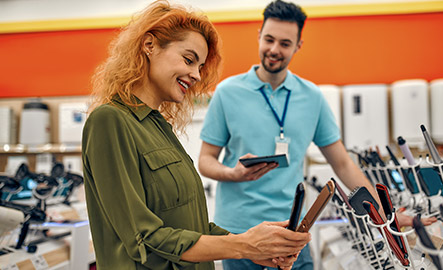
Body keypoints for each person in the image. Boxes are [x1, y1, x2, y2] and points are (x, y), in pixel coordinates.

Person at [198, 1, 436, 270]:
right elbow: (205, 160)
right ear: (259, 35)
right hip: (239, 233)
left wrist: (385, 216)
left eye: (285, 44)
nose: (274, 50)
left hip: (293, 230)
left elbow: (343, 164)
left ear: (298, 45)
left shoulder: (312, 97)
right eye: (269, 39)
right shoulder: (228, 92)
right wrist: (233, 173)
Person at [81, 1, 311, 269]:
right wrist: (243, 246)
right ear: (149, 45)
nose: (196, 75)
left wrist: (252, 243)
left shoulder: (158, 127)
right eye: (189, 60)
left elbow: (192, 226)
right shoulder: (110, 121)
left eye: (200, 67)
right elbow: (142, 238)